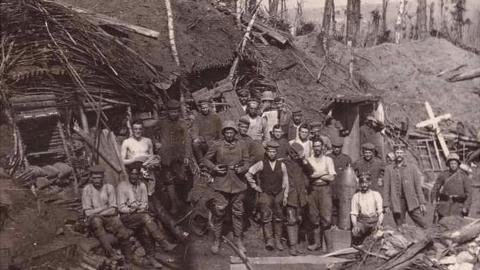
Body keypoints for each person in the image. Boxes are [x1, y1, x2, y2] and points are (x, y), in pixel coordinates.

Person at [203, 120, 250, 254]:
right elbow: (206, 159)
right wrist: (214, 168)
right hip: (221, 182)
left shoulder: (242, 144)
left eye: (232, 132)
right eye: (227, 132)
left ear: (235, 132)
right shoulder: (217, 145)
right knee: (219, 212)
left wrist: (243, 169)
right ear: (223, 133)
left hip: (238, 183)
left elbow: (247, 161)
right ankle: (217, 239)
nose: (229, 134)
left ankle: (238, 239)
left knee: (238, 213)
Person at [117, 165, 177, 268]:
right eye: (132, 174)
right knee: (145, 218)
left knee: (146, 228)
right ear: (128, 174)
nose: (134, 177)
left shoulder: (142, 186)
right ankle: (163, 243)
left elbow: (145, 204)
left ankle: (151, 258)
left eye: (136, 174)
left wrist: (137, 208)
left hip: (140, 215)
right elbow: (121, 207)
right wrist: (132, 209)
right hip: (126, 218)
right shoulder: (122, 186)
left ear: (139, 175)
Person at [81, 165, 132, 261]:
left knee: (121, 228)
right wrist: (104, 208)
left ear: (103, 177)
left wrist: (96, 212)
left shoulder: (109, 188)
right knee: (96, 221)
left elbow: (113, 209)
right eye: (94, 178)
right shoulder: (87, 190)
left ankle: (129, 258)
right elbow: (87, 213)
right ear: (91, 178)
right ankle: (111, 253)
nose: (96, 180)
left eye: (99, 178)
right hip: (94, 219)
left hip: (109, 217)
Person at [246, 141, 289, 251]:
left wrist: (285, 195)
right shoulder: (261, 163)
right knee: (266, 216)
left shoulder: (282, 165)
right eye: (270, 151)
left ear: (277, 152)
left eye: (274, 152)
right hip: (265, 194)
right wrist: (255, 187)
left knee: (279, 217)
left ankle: (278, 240)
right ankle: (269, 240)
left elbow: (285, 180)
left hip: (278, 193)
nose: (272, 154)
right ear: (267, 152)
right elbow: (249, 174)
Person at [154, 99, 190, 215]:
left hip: (179, 156)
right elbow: (152, 133)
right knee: (168, 181)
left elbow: (188, 140)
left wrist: (187, 156)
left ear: (178, 112)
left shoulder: (182, 123)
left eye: (176, 112)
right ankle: (174, 205)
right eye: (171, 112)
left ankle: (184, 201)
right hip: (166, 157)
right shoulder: (162, 122)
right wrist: (156, 143)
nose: (173, 114)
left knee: (182, 178)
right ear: (168, 112)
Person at [383, 144, 428, 228]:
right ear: (394, 154)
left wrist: (422, 202)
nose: (399, 154)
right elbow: (386, 188)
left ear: (404, 154)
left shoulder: (412, 167)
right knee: (400, 226)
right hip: (397, 201)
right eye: (397, 152)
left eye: (401, 152)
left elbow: (418, 187)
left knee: (423, 224)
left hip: (411, 200)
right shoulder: (389, 169)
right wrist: (386, 204)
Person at [306, 139, 336, 252]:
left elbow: (331, 177)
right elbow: (309, 176)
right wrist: (324, 173)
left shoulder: (328, 160)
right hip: (312, 190)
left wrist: (317, 175)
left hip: (325, 189)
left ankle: (330, 247)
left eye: (319, 146)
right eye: (315, 146)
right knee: (314, 217)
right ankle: (317, 243)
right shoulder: (309, 160)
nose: (317, 148)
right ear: (313, 147)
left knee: (326, 218)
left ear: (323, 147)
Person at [283, 142, 310, 255]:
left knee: (299, 219)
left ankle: (297, 243)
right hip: (290, 194)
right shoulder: (284, 163)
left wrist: (304, 161)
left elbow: (311, 171)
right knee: (291, 220)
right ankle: (293, 246)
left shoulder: (301, 163)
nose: (296, 156)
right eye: (295, 154)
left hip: (300, 195)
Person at [121, 120, 158, 195]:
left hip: (147, 170)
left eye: (140, 129)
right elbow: (122, 161)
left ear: (143, 129)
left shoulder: (147, 141)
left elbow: (152, 156)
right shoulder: (127, 142)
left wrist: (151, 163)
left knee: (149, 193)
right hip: (134, 171)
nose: (138, 131)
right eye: (135, 129)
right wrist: (135, 159)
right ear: (132, 129)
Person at [431, 153, 472, 221]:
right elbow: (435, 187)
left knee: (456, 227)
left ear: (458, 164)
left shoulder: (463, 176)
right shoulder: (443, 175)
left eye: (455, 163)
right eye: (451, 163)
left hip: (458, 207)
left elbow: (469, 194)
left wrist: (466, 207)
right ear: (448, 164)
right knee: (442, 225)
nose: (453, 165)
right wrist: (434, 199)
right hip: (444, 206)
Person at [351, 173, 384, 245]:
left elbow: (380, 212)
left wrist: (379, 223)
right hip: (362, 221)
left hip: (374, 221)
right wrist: (355, 225)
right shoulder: (356, 196)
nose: (364, 185)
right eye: (362, 183)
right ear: (359, 184)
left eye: (366, 183)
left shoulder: (376, 194)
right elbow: (354, 213)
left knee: (379, 235)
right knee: (355, 233)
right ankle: (355, 250)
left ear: (370, 183)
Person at [328, 137, 352, 226]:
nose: (336, 149)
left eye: (338, 147)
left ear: (341, 148)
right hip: (330, 187)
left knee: (342, 208)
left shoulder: (346, 159)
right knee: (331, 209)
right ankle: (332, 227)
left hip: (342, 189)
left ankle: (341, 226)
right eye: (334, 147)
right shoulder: (328, 158)